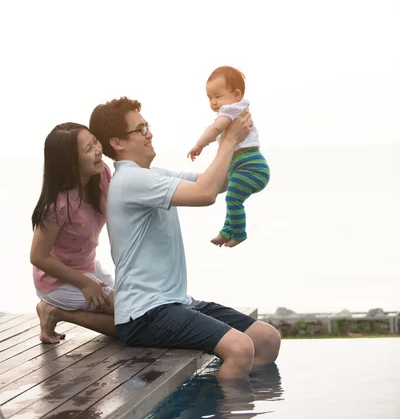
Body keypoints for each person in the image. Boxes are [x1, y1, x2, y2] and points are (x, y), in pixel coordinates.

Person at [89, 97, 280, 380]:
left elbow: (216, 183)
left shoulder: (152, 175)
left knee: (266, 338)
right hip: (145, 314)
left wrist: (240, 143)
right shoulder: (131, 181)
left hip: (175, 303)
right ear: (117, 143)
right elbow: (204, 195)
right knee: (239, 348)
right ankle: (229, 404)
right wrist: (227, 141)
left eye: (147, 126)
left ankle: (227, 394)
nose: (149, 133)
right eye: (140, 129)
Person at [30, 122, 116, 343]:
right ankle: (55, 311)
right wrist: (85, 283)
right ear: (71, 163)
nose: (98, 150)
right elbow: (38, 257)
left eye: (95, 141)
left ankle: (54, 311)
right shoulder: (58, 205)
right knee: (131, 319)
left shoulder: (102, 174)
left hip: (88, 267)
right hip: (58, 280)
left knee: (139, 309)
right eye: (88, 149)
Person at [187, 66, 270, 247]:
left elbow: (215, 129)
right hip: (245, 165)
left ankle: (239, 233)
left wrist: (199, 145)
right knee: (233, 198)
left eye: (218, 96)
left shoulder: (231, 110)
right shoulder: (237, 109)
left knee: (232, 199)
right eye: (210, 98)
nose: (213, 102)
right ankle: (226, 232)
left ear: (237, 95)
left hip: (250, 166)